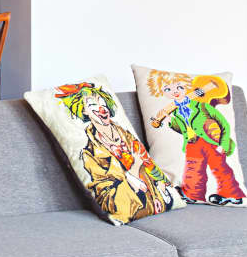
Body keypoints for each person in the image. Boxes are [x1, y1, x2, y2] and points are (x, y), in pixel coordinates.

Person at [56, 82, 172, 222]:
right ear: (84, 111)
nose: (101, 108)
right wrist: (132, 172)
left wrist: (161, 184)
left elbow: (148, 164)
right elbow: (108, 196)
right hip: (135, 204)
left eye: (102, 103)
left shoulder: (127, 136)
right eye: (92, 105)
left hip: (156, 197)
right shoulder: (90, 154)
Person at [148, 70, 246, 205]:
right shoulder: (176, 111)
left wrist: (223, 144)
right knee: (193, 168)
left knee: (219, 166)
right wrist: (170, 121)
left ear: (187, 89)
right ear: (163, 93)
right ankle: (192, 194)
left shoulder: (202, 106)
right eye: (168, 89)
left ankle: (231, 194)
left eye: (179, 87)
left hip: (210, 141)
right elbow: (182, 129)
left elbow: (224, 124)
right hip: (192, 143)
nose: (174, 91)